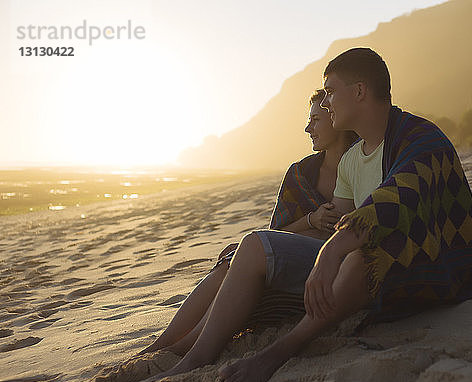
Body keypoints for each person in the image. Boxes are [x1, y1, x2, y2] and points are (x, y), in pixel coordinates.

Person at [154, 47, 472, 382]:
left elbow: (395, 202)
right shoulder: (352, 160)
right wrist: (272, 255)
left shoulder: (419, 137)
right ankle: (192, 355)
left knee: (361, 257)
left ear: (359, 91)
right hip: (355, 266)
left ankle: (279, 351)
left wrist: (332, 251)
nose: (325, 103)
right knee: (253, 245)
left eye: (330, 92)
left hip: (423, 265)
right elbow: (336, 223)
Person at [139, 89, 357, 356]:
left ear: (335, 118)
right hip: (289, 256)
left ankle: (184, 348)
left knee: (243, 254)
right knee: (230, 261)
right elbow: (277, 234)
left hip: (324, 269)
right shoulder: (301, 173)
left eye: (316, 120)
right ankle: (162, 346)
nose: (307, 128)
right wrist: (311, 219)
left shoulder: (362, 164)